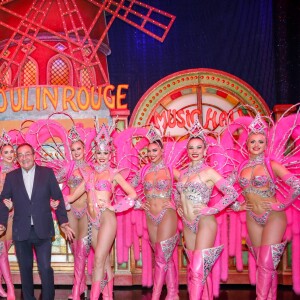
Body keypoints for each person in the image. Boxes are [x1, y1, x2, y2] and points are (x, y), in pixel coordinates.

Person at [231, 114, 300, 300]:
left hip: (273, 217)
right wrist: (238, 205)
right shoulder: (241, 168)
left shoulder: (272, 165)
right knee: (265, 265)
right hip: (252, 217)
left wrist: (284, 204)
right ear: (247, 144)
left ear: (265, 144)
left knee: (266, 261)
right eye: (252, 141)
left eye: (260, 142)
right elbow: (225, 187)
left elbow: (297, 185)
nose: (256, 145)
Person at [67, 123, 136, 300]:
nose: (102, 156)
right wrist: (50, 199)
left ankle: (95, 297)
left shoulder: (114, 174)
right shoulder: (88, 175)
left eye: (106, 153)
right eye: (99, 153)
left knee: (98, 260)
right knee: (103, 261)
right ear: (95, 153)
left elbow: (132, 194)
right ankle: (108, 295)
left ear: (110, 154)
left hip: (107, 219)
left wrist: (115, 207)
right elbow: (73, 196)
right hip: (92, 221)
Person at [0, 143, 74, 300]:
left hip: (43, 229)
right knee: (25, 269)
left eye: (27, 154)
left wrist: (63, 222)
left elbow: (58, 197)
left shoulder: (47, 173)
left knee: (45, 268)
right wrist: (2, 223)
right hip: (21, 230)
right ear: (17, 159)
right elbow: (4, 201)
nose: (24, 157)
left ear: (34, 156)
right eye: (20, 155)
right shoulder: (11, 177)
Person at [175, 120, 238, 300]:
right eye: (191, 148)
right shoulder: (183, 173)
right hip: (187, 223)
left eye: (198, 147)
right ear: (187, 151)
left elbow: (231, 192)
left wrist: (214, 208)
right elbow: (179, 193)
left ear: (205, 150)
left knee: (197, 269)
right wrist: (179, 205)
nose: (194, 151)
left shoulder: (209, 172)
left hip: (204, 221)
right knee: (199, 269)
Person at [132, 125, 180, 300]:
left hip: (167, 213)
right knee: (163, 256)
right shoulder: (143, 171)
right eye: (149, 151)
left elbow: (187, 184)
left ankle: (156, 295)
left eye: (154, 150)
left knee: (161, 255)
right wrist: (137, 202)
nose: (151, 154)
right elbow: (127, 187)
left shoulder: (169, 169)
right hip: (150, 216)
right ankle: (173, 293)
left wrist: (178, 203)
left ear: (161, 150)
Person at [56, 126, 92, 300]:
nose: (76, 152)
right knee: (76, 249)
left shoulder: (91, 169)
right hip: (71, 213)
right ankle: (82, 285)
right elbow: (51, 182)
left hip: (86, 212)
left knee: (82, 251)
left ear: (85, 150)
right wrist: (56, 199)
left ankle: (76, 290)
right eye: (73, 150)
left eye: (79, 149)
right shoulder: (68, 168)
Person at [0, 131, 17, 300]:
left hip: (13, 216)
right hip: (0, 214)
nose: (10, 155)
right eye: (6, 152)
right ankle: (11, 288)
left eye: (12, 152)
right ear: (1, 155)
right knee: (1, 251)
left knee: (4, 249)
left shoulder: (19, 172)